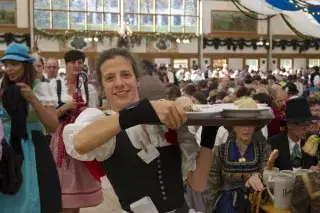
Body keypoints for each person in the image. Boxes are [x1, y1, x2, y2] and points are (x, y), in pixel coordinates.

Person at [62, 48, 218, 213]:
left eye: (126, 75)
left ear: (137, 80)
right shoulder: (100, 121)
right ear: (101, 87)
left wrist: (209, 133)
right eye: (109, 78)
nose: (119, 83)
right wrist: (138, 111)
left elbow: (198, 184)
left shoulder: (163, 122)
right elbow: (79, 142)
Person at [0, 43, 61, 213]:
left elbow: (52, 126)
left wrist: (33, 99)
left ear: (26, 65)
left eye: (15, 64)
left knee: (33, 197)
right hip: (6, 149)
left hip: (33, 149)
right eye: (7, 64)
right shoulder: (2, 88)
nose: (9, 69)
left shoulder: (42, 87)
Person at [50, 50, 102, 213]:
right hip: (60, 138)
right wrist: (65, 107)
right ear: (66, 64)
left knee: (77, 186)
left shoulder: (89, 88)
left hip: (79, 137)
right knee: (62, 182)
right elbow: (48, 116)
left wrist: (86, 111)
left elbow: (93, 114)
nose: (77, 65)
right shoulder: (55, 86)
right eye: (73, 62)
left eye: (80, 62)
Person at [203, 124, 271, 213]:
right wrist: (210, 208)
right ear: (233, 127)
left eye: (250, 124)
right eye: (240, 124)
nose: (246, 128)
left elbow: (267, 171)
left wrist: (257, 176)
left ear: (255, 127)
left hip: (255, 203)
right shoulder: (220, 150)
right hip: (226, 205)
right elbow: (211, 185)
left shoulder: (263, 149)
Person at [268, 98, 319, 171]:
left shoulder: (312, 142)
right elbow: (268, 170)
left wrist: (315, 169)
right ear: (289, 125)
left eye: (307, 124)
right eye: (302, 124)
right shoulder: (273, 143)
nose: (306, 129)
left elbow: (315, 164)